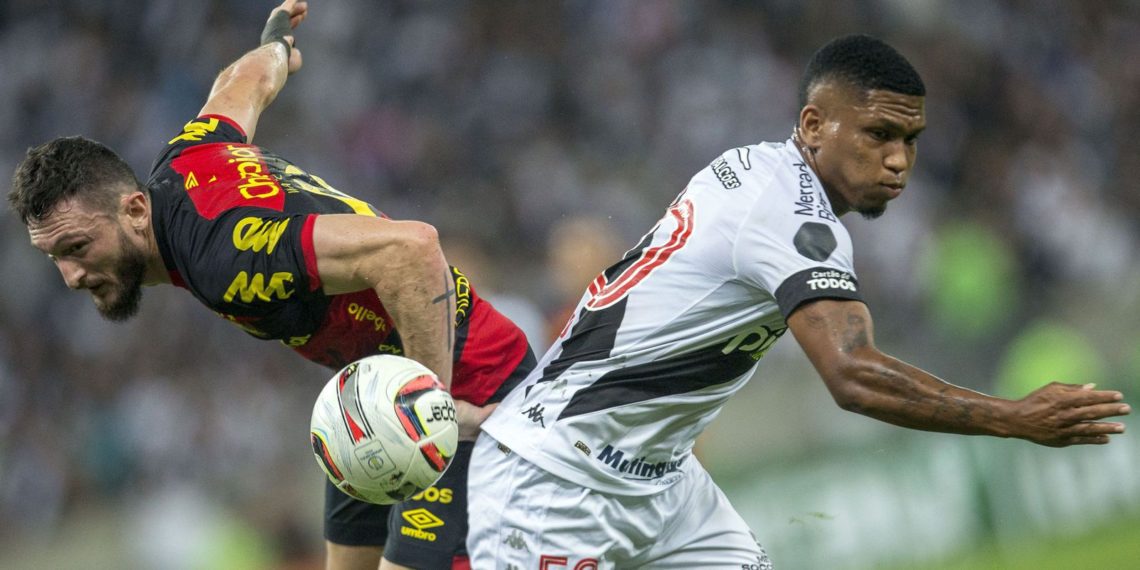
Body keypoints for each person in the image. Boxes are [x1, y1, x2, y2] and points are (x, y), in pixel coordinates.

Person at [466, 34, 1131, 569]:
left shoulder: (767, 179)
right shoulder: (787, 212)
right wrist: (1012, 417)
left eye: (910, 141)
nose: (899, 160)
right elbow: (853, 375)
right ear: (814, 125)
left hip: (658, 484)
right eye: (878, 135)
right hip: (554, 480)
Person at [7, 2, 534, 569]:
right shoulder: (189, 156)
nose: (70, 277)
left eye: (78, 249)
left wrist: (435, 410)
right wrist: (277, 44)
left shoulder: (226, 256)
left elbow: (412, 249)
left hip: (465, 379)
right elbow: (243, 83)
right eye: (54, 258)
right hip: (371, 393)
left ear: (135, 210)